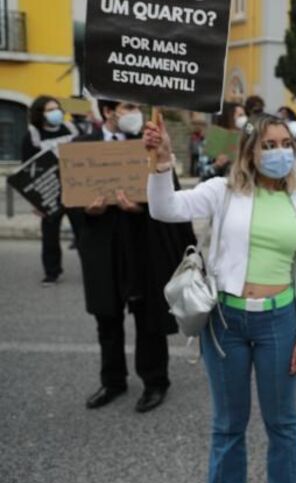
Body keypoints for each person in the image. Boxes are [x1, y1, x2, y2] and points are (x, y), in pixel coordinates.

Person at [144, 113, 296, 483]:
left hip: (280, 320)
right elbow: (165, 209)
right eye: (268, 145)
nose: (279, 153)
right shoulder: (222, 191)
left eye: (285, 145)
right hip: (225, 321)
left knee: (284, 424)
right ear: (250, 150)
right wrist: (161, 164)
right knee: (228, 425)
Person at [70, 99, 196, 413]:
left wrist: (141, 207)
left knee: (148, 317)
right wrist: (87, 209)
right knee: (106, 316)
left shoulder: (150, 144)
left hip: (142, 244)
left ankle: (155, 381)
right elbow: (69, 195)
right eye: (127, 107)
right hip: (103, 246)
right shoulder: (82, 147)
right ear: (108, 111)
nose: (134, 113)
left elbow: (172, 194)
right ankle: (112, 381)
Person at [21, 95, 80, 285]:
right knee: (50, 235)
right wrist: (35, 201)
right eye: (50, 109)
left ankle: (93, 269)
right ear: (40, 113)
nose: (56, 112)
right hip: (50, 192)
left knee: (85, 233)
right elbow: (28, 171)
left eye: (57, 108)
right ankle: (52, 272)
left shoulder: (71, 129)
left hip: (75, 188)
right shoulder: (32, 135)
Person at [200, 102, 247, 181]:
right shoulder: (214, 139)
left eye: (244, 115)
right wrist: (217, 165)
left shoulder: (247, 138)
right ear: (229, 117)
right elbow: (202, 172)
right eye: (240, 115)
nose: (244, 118)